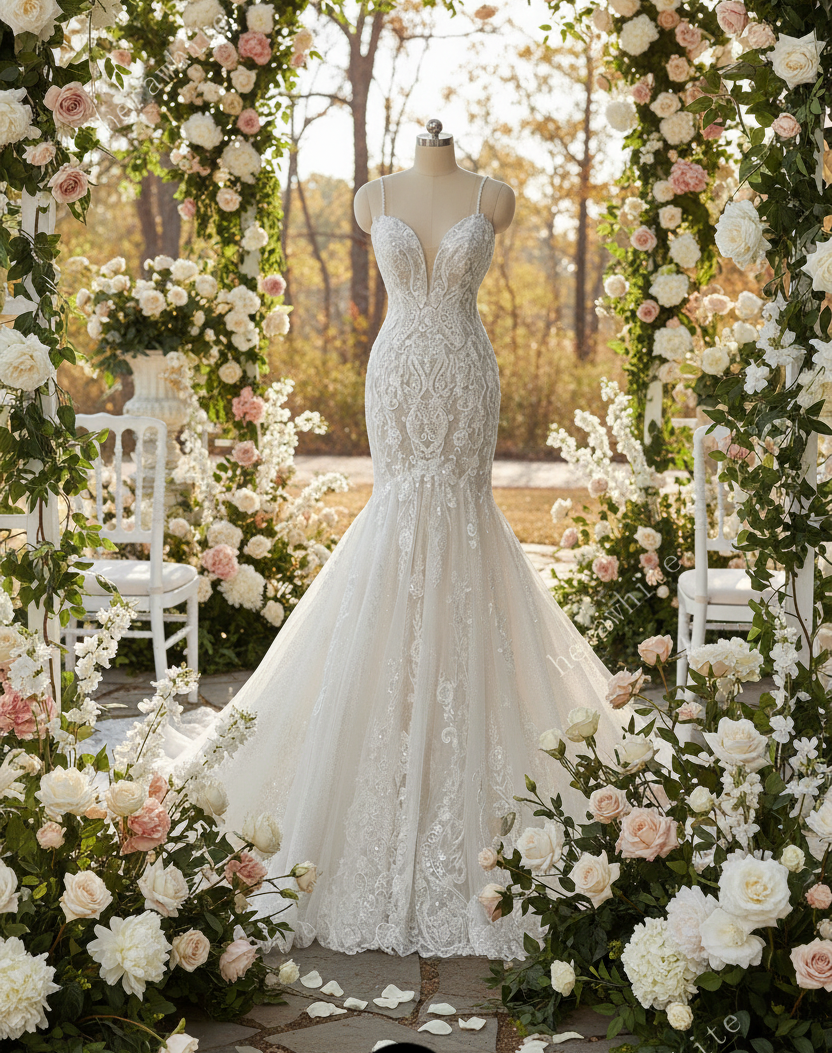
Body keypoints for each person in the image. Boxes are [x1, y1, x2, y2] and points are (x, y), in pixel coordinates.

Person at [180, 121, 628, 960]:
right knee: (395, 523)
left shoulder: (492, 193)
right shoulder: (371, 197)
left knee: (461, 525)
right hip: (395, 376)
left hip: (463, 371)